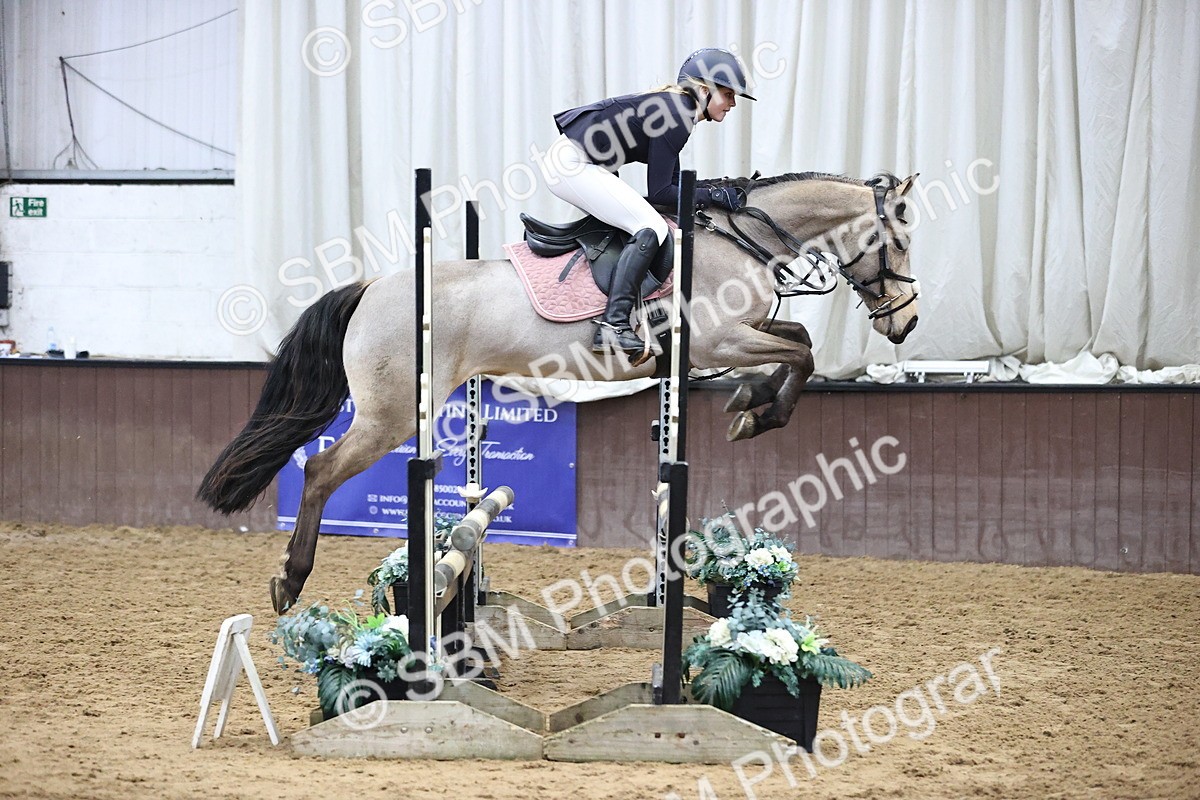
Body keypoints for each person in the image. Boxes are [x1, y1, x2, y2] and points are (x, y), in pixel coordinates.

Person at [548, 48, 754, 355]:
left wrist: (716, 189)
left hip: (578, 162)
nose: (733, 103)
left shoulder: (678, 110)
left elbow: (671, 186)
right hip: (572, 165)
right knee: (652, 228)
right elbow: (661, 194)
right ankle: (613, 325)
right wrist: (712, 196)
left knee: (645, 219)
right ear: (703, 90)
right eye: (727, 94)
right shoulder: (677, 115)